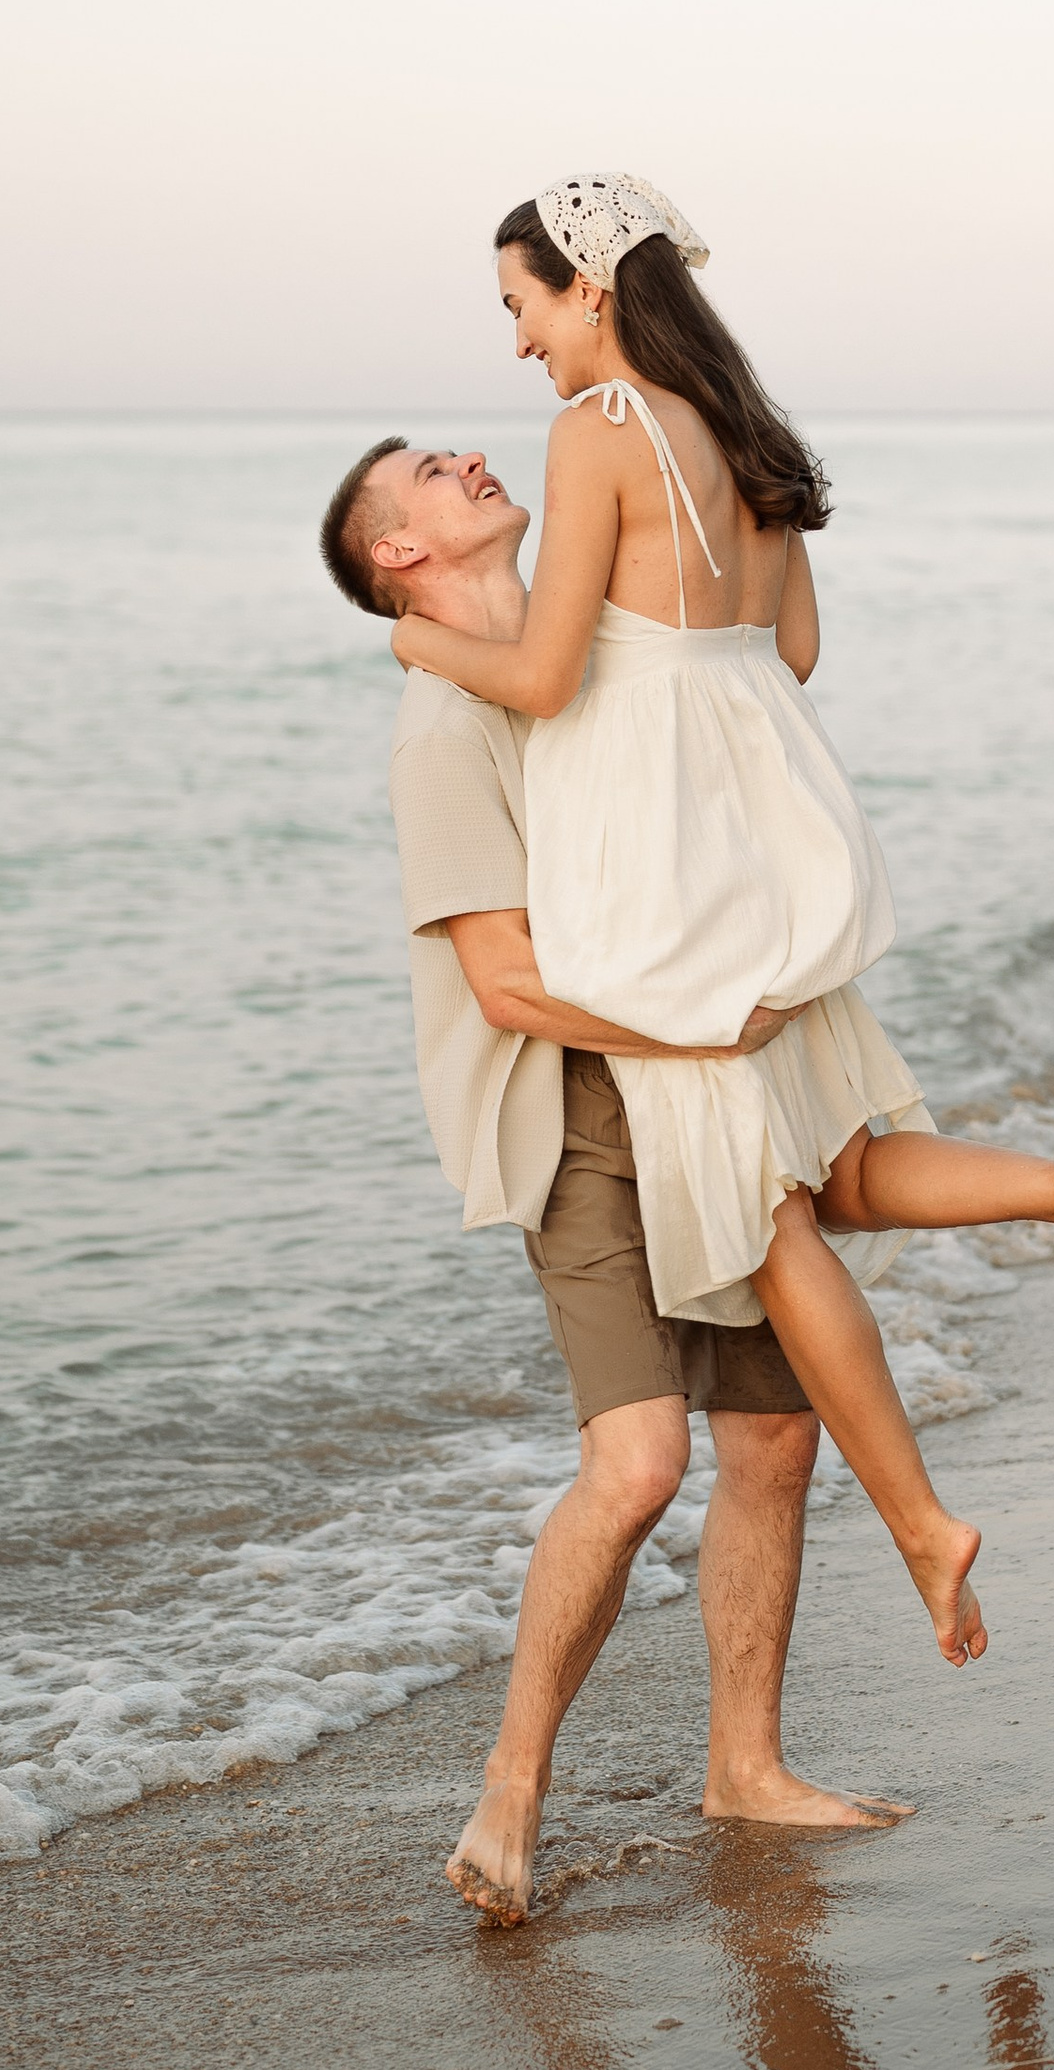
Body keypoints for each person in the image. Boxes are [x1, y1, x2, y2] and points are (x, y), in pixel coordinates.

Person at [371, 175, 1054, 1679]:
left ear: (586, 287)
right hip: (769, 825)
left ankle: (918, 1521)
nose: (520, 348)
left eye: (520, 307)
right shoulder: (742, 431)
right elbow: (797, 648)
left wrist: (408, 631)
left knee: (762, 1216)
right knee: (833, 1158)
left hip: (661, 864)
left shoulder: (600, 433)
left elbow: (551, 676)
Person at [322, 429, 907, 1927]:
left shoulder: (591, 648)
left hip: (705, 1095)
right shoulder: (445, 726)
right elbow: (509, 987)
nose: (468, 456)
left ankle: (748, 1766)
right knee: (641, 1462)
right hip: (583, 1110)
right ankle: (510, 1792)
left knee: (773, 1445)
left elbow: (761, 666)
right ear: (401, 558)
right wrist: (710, 1016)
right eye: (428, 476)